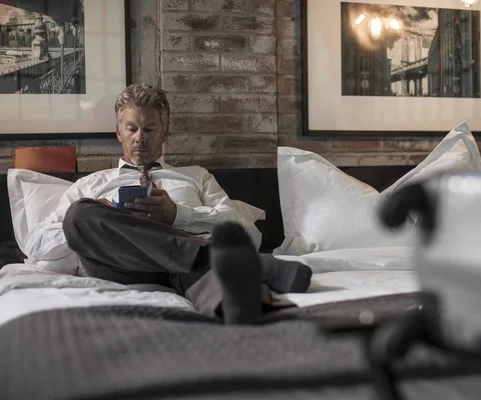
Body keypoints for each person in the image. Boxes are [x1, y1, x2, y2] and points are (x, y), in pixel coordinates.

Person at [24, 83, 312, 325]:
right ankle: (232, 262)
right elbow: (35, 245)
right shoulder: (91, 184)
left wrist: (179, 215)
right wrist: (106, 218)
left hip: (184, 270)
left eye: (149, 129)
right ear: (119, 133)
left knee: (217, 276)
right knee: (79, 215)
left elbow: (245, 231)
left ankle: (249, 311)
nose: (140, 138)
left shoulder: (196, 177)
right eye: (132, 128)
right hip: (121, 266)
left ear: (165, 133)